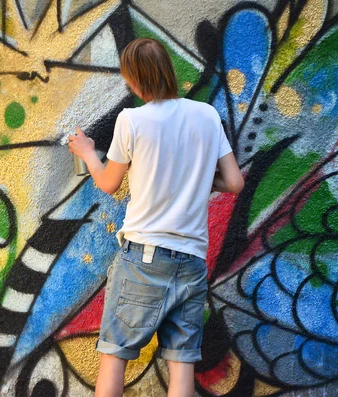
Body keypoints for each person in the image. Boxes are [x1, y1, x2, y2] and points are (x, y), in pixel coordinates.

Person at [68, 38, 244, 397]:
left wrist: (87, 152)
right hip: (192, 261)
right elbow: (235, 181)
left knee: (114, 358)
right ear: (167, 69)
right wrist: (192, 177)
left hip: (144, 259)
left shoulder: (132, 120)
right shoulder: (206, 115)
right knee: (181, 367)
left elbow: (108, 182)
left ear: (133, 80)